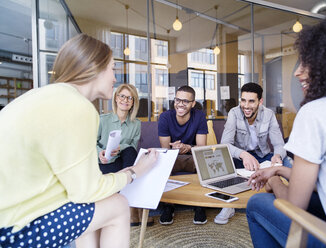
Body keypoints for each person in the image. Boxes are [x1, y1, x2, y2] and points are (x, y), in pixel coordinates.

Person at [0, 34, 158, 248]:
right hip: (16, 232)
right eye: (112, 69)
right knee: (119, 205)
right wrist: (135, 171)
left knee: (90, 209)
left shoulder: (40, 96)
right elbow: (87, 192)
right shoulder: (78, 107)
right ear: (95, 67)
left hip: (10, 216)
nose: (114, 78)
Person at [246, 18, 326, 247]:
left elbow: (295, 207)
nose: (297, 73)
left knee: (257, 204)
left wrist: (275, 181)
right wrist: (278, 169)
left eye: (306, 63)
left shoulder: (317, 111)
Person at [215, 82, 291, 225]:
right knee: (223, 159)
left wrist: (278, 155)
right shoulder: (234, 113)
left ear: (260, 101)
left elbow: (279, 144)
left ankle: (293, 202)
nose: (246, 105)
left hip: (263, 155)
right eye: (243, 100)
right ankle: (228, 205)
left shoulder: (268, 114)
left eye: (251, 101)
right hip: (239, 156)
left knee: (287, 163)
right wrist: (243, 154)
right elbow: (224, 145)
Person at [96, 83, 153, 227]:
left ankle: (132, 206)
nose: (125, 100)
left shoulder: (136, 124)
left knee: (130, 152)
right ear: (116, 98)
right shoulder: (103, 120)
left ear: (133, 102)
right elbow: (90, 144)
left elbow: (132, 148)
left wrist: (121, 147)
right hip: (105, 163)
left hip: (125, 163)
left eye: (130, 98)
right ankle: (133, 206)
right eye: (122, 96)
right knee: (132, 164)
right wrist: (100, 153)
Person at [158, 85, 208, 225]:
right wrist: (175, 149)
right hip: (172, 157)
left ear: (192, 104)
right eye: (177, 100)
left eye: (185, 101)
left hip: (193, 157)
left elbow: (202, 148)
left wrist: (187, 147)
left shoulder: (199, 116)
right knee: (162, 160)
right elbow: (165, 148)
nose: (180, 104)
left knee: (203, 159)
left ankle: (200, 205)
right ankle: (168, 206)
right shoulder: (165, 117)